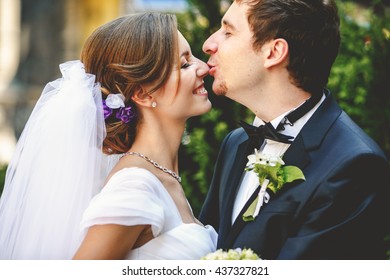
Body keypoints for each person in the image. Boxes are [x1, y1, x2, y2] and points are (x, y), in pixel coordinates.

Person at [0, 12, 217, 260]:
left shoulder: (162, 178)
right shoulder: (136, 186)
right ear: (143, 94)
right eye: (185, 64)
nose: (204, 68)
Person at [199, 0, 390, 259]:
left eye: (228, 32)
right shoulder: (235, 143)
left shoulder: (354, 166)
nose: (209, 44)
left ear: (274, 52)